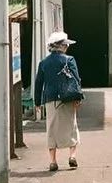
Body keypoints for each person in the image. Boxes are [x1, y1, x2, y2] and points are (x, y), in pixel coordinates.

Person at [34, 31, 82, 172]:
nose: (67, 47)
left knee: (52, 129)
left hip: (50, 99)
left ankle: (53, 161)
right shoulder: (69, 60)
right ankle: (72, 156)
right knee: (71, 127)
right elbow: (76, 80)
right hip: (68, 98)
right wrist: (78, 98)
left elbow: (38, 83)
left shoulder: (43, 63)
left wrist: (37, 102)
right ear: (61, 46)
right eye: (66, 45)